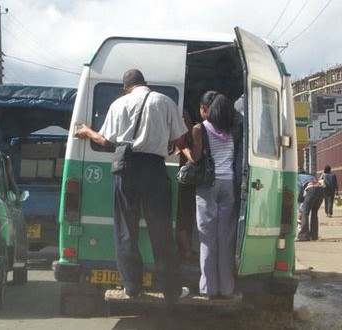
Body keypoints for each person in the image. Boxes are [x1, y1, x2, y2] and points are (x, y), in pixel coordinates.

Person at [75, 69, 189, 304]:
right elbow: (180, 140)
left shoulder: (119, 104)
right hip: (154, 168)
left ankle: (132, 286)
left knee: (126, 228)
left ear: (126, 86)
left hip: (125, 168)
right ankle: (171, 290)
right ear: (144, 83)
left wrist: (87, 132)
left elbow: (106, 141)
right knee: (161, 230)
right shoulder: (165, 101)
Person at [182, 91, 237, 298]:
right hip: (228, 184)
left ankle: (208, 288)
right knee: (225, 238)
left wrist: (183, 147)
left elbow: (196, 158)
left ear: (205, 110)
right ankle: (226, 287)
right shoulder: (232, 129)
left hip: (208, 185)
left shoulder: (199, 129)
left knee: (207, 239)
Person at [176, 110, 197, 260]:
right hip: (184, 178)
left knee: (185, 213)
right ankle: (186, 250)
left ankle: (186, 249)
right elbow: (194, 158)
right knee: (184, 214)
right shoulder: (185, 118)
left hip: (186, 178)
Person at [297, 168, 324, 241]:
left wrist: (299, 201)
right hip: (321, 190)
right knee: (314, 213)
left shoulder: (298, 177)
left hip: (311, 190)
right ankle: (314, 235)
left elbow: (299, 191)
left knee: (305, 213)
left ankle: (304, 236)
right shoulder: (311, 176)